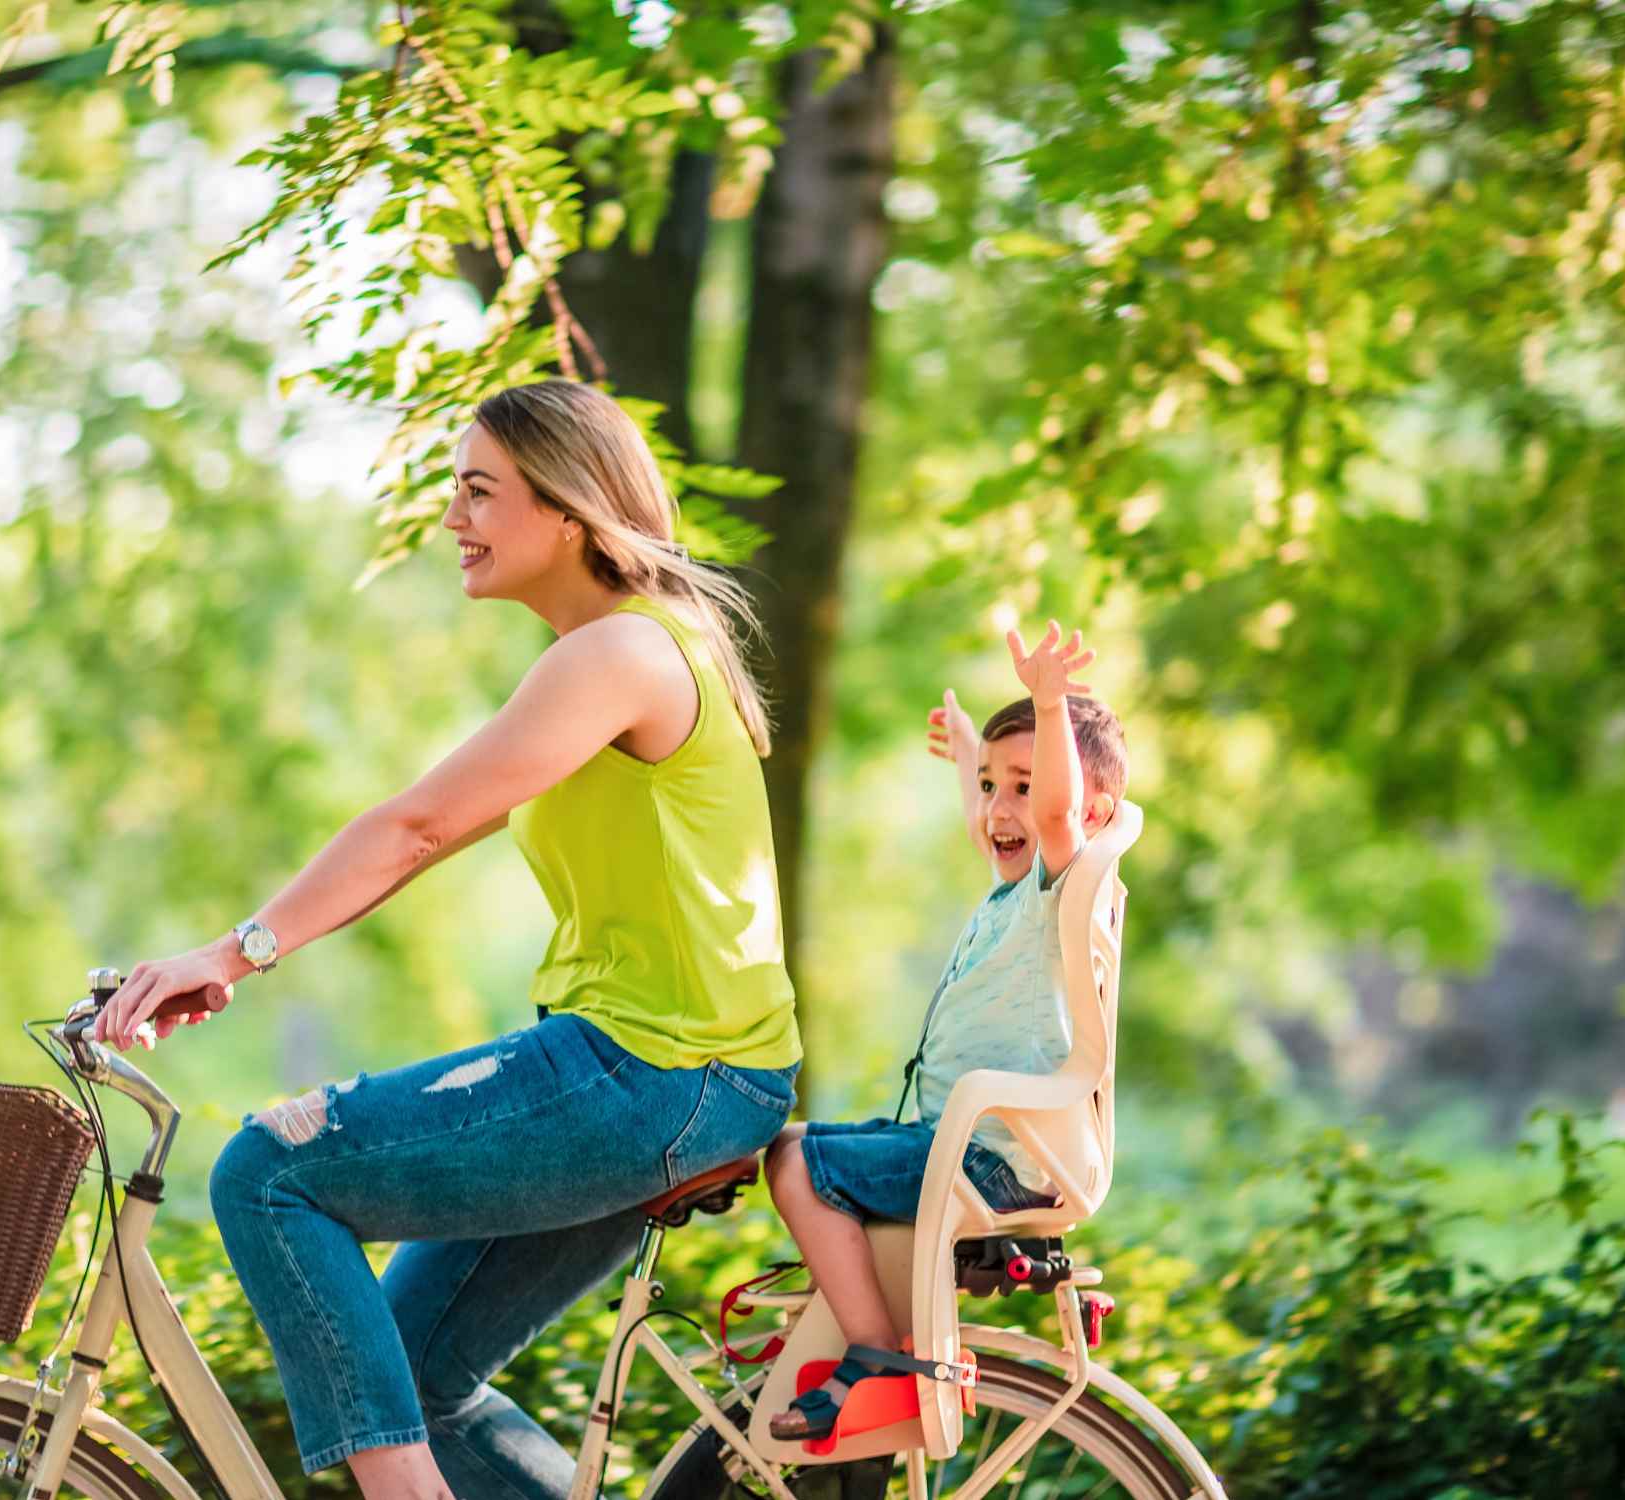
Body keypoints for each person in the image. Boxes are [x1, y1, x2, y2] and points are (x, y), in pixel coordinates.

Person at [91, 380, 802, 1500]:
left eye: (478, 491)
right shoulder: (626, 650)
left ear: (566, 510)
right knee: (416, 1374)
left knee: (269, 1172)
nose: (451, 518)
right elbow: (418, 838)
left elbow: (415, 828)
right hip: (678, 1075)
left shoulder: (620, 654)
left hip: (657, 1071)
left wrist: (228, 955)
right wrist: (244, 954)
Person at [761, 620, 1128, 1443]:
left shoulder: (1061, 884)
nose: (999, 808)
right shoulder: (1017, 889)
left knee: (798, 1169)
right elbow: (984, 819)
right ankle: (868, 1327)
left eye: (1022, 786)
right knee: (790, 1144)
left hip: (987, 1158)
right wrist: (972, 754)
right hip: (972, 1145)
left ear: (1090, 811)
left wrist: (1048, 702)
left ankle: (871, 1351)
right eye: (994, 786)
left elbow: (1055, 812)